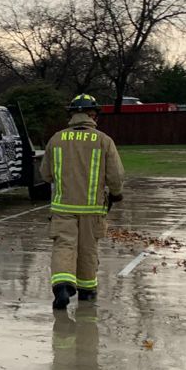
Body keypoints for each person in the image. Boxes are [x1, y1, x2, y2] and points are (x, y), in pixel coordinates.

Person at [39, 94, 125, 310]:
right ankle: (87, 291)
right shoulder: (104, 140)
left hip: (62, 208)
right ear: (92, 114)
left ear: (72, 114)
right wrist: (116, 193)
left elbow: (45, 174)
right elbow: (115, 175)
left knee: (64, 246)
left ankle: (62, 286)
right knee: (88, 249)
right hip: (92, 209)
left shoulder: (56, 139)